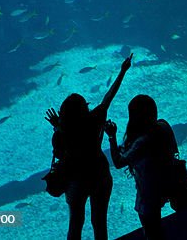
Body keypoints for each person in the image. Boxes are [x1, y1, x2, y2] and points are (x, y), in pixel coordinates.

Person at [45, 53, 133, 240]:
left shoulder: (63, 131)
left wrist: (57, 126)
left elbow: (60, 152)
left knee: (75, 224)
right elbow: (109, 96)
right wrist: (122, 71)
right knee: (99, 223)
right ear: (85, 108)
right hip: (100, 174)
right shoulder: (96, 118)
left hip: (76, 179)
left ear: (64, 114)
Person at [105, 95, 179, 240]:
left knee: (151, 230)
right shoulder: (163, 126)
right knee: (156, 227)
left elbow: (119, 162)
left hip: (148, 191)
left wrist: (112, 137)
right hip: (164, 184)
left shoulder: (142, 141)